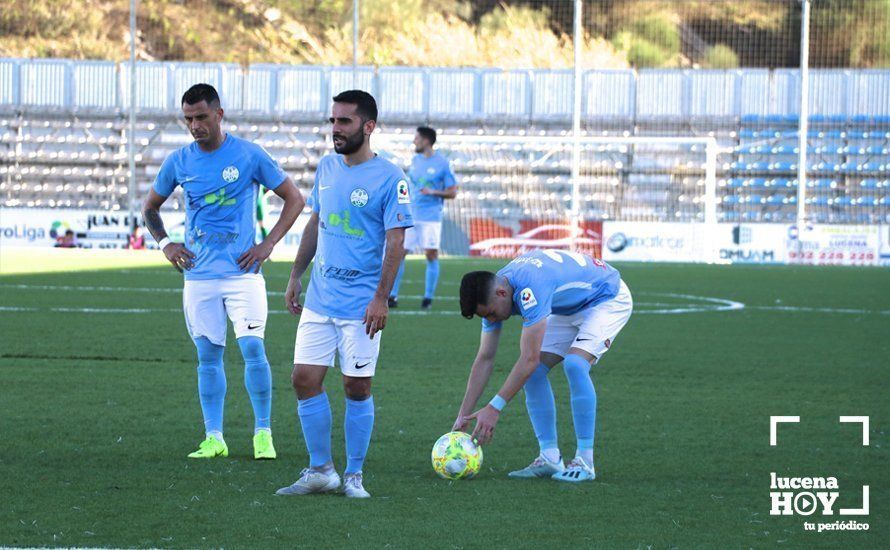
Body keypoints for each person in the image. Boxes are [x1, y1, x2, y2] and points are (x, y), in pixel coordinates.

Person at [142, 83, 305, 460]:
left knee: (252, 349)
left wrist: (268, 244)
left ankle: (262, 434)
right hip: (198, 275)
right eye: (187, 119)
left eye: (200, 116)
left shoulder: (249, 155)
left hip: (241, 273)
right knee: (208, 357)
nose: (194, 125)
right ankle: (214, 437)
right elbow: (150, 208)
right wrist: (165, 243)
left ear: (218, 114)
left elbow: (295, 198)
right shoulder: (179, 161)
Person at [276, 90, 413, 499]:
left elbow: (396, 243)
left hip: (361, 304)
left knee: (356, 387)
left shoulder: (392, 178)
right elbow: (316, 222)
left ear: (368, 127)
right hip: (320, 297)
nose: (335, 129)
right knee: (303, 379)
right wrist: (296, 274)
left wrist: (381, 297)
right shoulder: (327, 168)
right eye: (333, 121)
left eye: (345, 122)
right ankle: (321, 470)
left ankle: (353, 475)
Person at [452, 249, 632, 483]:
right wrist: (462, 417)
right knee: (535, 374)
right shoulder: (496, 290)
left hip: (606, 297)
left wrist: (494, 408)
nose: (492, 320)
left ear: (501, 293)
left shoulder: (530, 288)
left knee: (575, 364)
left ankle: (585, 462)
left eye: (492, 314)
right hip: (569, 307)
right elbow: (485, 357)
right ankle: (549, 458)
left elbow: (528, 358)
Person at [388, 126, 457, 310]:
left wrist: (433, 191)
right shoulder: (415, 160)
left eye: (417, 138)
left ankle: (427, 298)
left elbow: (453, 192)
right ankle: (392, 295)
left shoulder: (443, 163)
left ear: (426, 140)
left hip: (431, 217)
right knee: (400, 253)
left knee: (431, 254)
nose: (414, 141)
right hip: (411, 214)